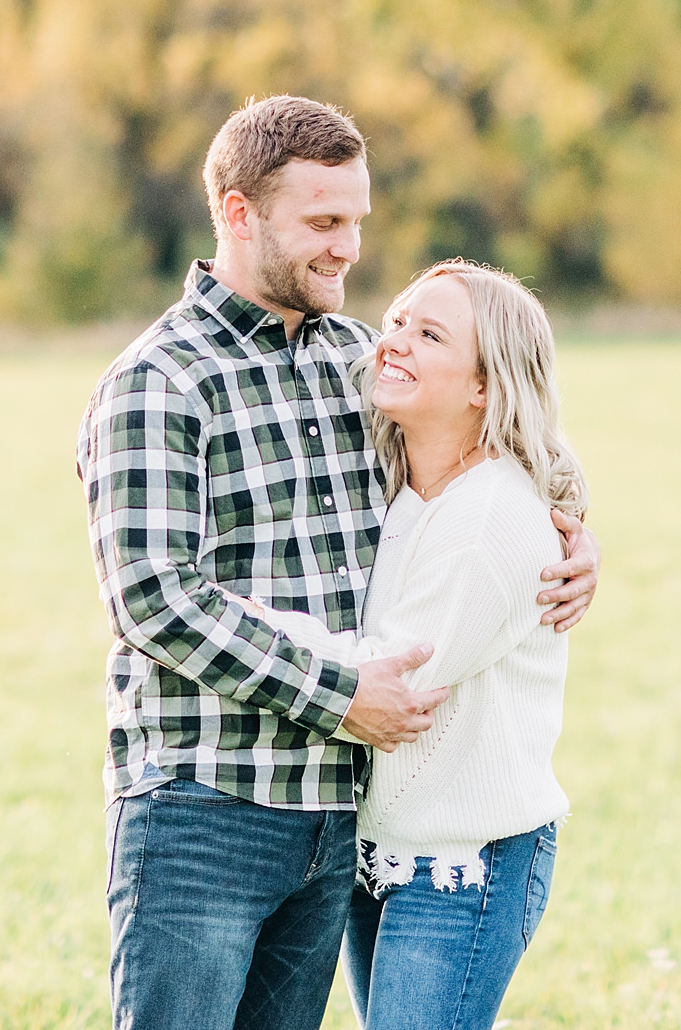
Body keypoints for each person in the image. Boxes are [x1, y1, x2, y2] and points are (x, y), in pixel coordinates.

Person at [79, 95, 600, 1030]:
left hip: (335, 821)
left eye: (357, 221)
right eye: (323, 222)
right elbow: (155, 600)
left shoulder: (359, 360)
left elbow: (497, 426)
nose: (348, 248)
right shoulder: (158, 383)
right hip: (206, 810)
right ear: (239, 215)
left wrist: (569, 524)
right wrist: (336, 691)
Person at [237, 259, 582, 1030]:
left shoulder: (491, 515)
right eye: (395, 321)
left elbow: (398, 675)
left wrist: (248, 623)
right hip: (381, 851)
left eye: (429, 334)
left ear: (484, 387)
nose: (392, 341)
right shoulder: (403, 489)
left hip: (467, 861)